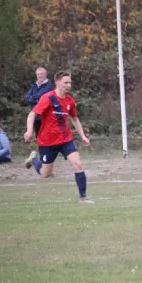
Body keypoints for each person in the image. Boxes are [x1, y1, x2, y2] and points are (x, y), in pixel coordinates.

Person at [23, 71, 93, 203]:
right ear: (58, 83)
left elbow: (75, 119)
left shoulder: (70, 101)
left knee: (78, 164)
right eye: (66, 82)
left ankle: (83, 197)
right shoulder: (48, 98)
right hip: (47, 142)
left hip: (66, 140)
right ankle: (34, 160)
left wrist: (83, 136)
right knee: (45, 174)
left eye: (70, 82)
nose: (69, 85)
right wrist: (29, 130)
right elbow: (32, 114)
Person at [24, 67, 53, 138]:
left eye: (42, 74)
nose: (40, 76)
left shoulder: (49, 85)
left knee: (47, 135)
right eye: (38, 74)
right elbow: (27, 98)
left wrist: (33, 97)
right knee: (38, 135)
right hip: (35, 115)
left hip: (45, 115)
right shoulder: (34, 85)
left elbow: (41, 96)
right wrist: (36, 100)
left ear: (46, 75)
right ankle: (40, 149)